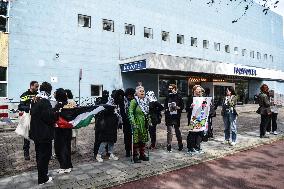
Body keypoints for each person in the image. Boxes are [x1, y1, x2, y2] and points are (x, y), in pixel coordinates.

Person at [29, 82, 57, 185]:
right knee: (45, 156)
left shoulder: (35, 99)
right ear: (49, 91)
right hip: (44, 134)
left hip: (36, 133)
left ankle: (43, 173)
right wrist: (56, 114)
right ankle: (42, 178)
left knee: (39, 155)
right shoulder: (45, 102)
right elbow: (49, 118)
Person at [128, 85, 151, 163]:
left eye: (143, 91)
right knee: (136, 140)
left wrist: (149, 120)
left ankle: (142, 154)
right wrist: (133, 122)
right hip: (137, 123)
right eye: (140, 91)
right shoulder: (134, 101)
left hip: (144, 123)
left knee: (143, 139)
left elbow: (147, 113)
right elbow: (130, 112)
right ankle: (135, 155)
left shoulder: (146, 101)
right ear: (136, 93)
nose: (142, 92)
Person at [18, 81, 39, 160]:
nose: (37, 88)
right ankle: (26, 153)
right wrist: (29, 108)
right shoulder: (25, 95)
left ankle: (38, 152)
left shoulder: (38, 94)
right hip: (28, 117)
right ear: (31, 86)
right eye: (36, 86)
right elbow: (20, 107)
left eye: (38, 86)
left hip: (36, 117)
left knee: (37, 135)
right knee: (27, 135)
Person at [54, 88, 73, 174]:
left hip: (60, 129)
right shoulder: (68, 103)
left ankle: (64, 166)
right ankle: (68, 165)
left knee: (60, 148)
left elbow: (59, 116)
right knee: (67, 147)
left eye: (55, 93)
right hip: (67, 130)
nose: (54, 95)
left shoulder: (59, 105)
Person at [186, 85, 205, 155]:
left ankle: (197, 146)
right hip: (192, 118)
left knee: (199, 132)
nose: (199, 91)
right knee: (192, 133)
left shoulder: (201, 98)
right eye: (198, 89)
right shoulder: (191, 98)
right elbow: (186, 109)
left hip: (200, 117)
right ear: (194, 90)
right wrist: (190, 106)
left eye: (200, 89)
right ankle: (190, 148)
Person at [164, 84, 184, 152]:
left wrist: (178, 107)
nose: (169, 89)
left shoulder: (179, 96)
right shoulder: (168, 96)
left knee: (177, 130)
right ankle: (168, 145)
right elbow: (165, 105)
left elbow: (182, 106)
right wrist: (166, 109)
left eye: (171, 88)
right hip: (169, 116)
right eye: (169, 88)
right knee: (169, 131)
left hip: (176, 116)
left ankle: (180, 144)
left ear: (175, 89)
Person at [122, 88, 135, 157]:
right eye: (129, 95)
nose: (130, 97)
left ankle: (134, 150)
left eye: (131, 95)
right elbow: (122, 111)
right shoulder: (124, 101)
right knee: (127, 137)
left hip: (134, 122)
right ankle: (127, 151)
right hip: (126, 122)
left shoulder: (135, 101)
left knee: (134, 137)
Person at [65, 89, 78, 153]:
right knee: (73, 135)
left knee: (70, 135)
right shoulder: (73, 101)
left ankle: (69, 148)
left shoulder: (65, 101)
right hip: (73, 120)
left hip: (67, 120)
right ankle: (73, 148)